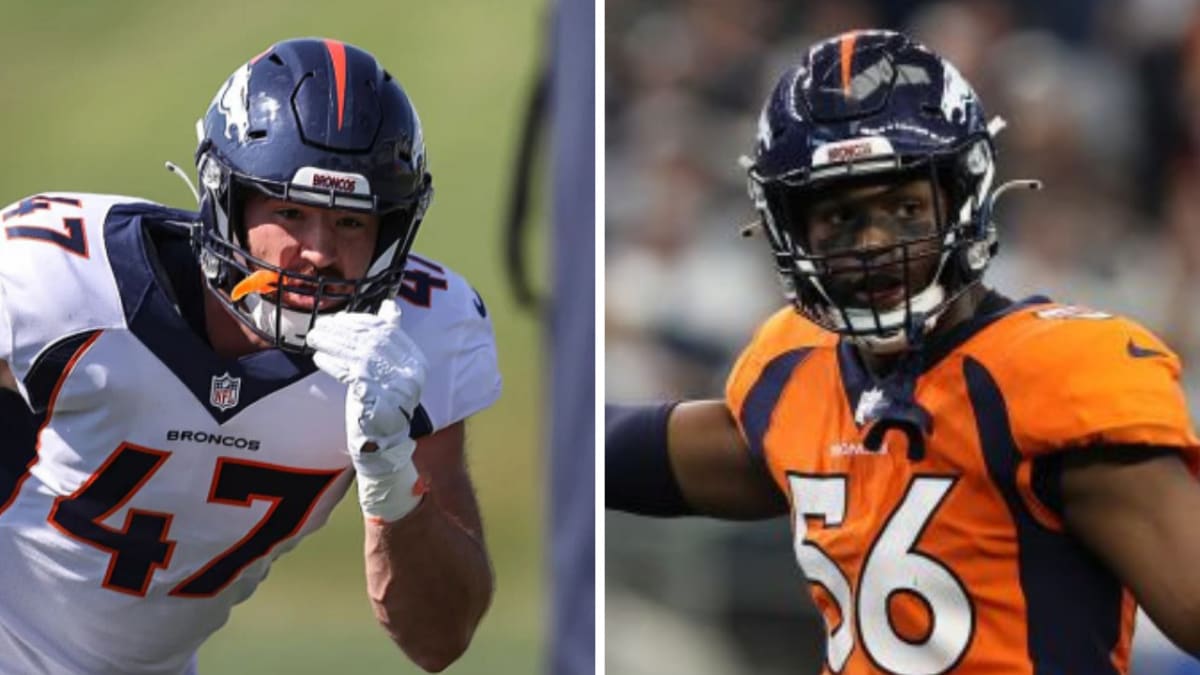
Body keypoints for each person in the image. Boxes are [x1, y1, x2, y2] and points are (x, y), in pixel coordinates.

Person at [608, 29, 1200, 673]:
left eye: (907, 206)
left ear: (962, 196)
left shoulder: (1051, 372)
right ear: (789, 225)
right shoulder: (795, 368)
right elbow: (622, 449)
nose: (874, 242)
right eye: (839, 217)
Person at [0, 38, 500, 674]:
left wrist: (391, 472)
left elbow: (439, 639)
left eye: (351, 223)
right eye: (290, 212)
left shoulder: (415, 340)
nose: (318, 251)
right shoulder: (60, 281)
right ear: (224, 199)